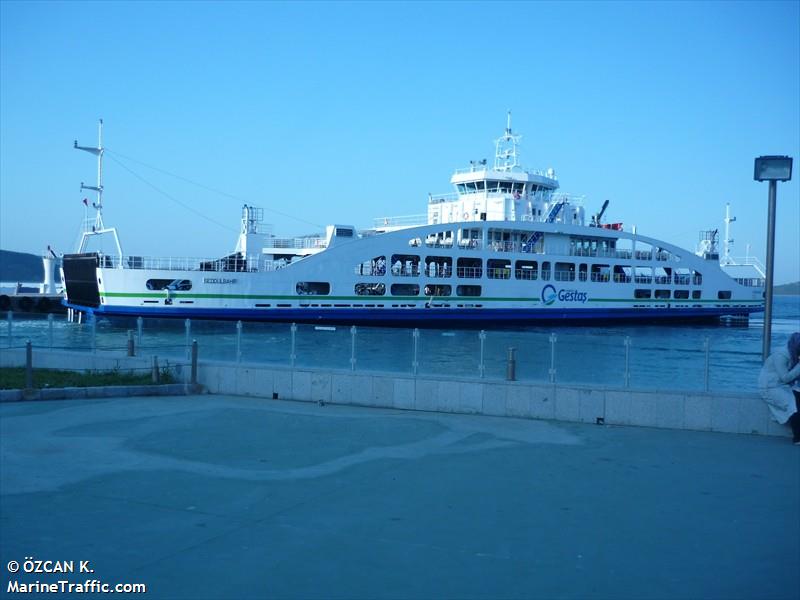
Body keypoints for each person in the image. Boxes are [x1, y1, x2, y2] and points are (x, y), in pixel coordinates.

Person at [758, 332, 800, 445]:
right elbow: (785, 378)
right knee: (793, 405)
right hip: (770, 387)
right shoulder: (781, 355)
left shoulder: (793, 354)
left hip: (783, 385)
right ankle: (797, 438)